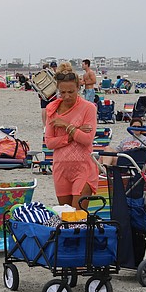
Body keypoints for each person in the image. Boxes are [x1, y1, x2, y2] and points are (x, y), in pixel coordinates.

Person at [44, 62, 99, 208]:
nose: (67, 96)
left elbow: (87, 139)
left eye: (71, 92)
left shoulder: (88, 108)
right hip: (61, 168)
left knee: (78, 217)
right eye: (62, 92)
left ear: (78, 88)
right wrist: (73, 133)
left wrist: (66, 126)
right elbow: (49, 143)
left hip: (83, 167)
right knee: (66, 216)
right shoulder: (52, 108)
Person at [40, 61, 58, 125]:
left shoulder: (41, 74)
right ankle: (49, 122)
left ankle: (44, 124)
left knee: (44, 108)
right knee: (52, 108)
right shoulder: (53, 73)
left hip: (43, 92)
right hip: (51, 92)